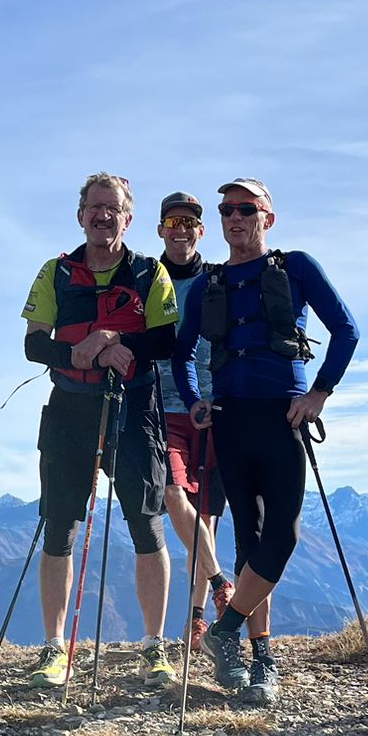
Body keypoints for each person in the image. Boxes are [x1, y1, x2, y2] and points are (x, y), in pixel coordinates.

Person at [177, 179, 360, 705]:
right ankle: (261, 658)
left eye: (246, 209)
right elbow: (182, 351)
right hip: (230, 419)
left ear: (267, 219)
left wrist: (319, 393)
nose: (235, 217)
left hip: (284, 415)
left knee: (285, 535)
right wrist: (194, 400)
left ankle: (224, 630)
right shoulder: (210, 282)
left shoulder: (296, 266)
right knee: (249, 539)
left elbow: (346, 329)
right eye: (227, 210)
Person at [19, 173, 180, 689]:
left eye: (113, 208)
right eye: (94, 207)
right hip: (70, 408)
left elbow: (167, 341)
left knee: (145, 521)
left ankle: (154, 647)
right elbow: (33, 346)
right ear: (80, 215)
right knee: (60, 524)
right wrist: (84, 350)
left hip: (135, 410)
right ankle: (54, 648)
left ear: (127, 219)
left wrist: (110, 336)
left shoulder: (151, 272)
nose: (102, 215)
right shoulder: (55, 273)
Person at [154, 192, 232, 649]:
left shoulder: (217, 280)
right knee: (171, 495)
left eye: (189, 223)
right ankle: (222, 583)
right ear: (161, 229)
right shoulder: (146, 277)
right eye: (171, 222)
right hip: (158, 407)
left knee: (206, 519)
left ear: (200, 231)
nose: (180, 230)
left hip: (212, 408)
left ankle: (198, 621)